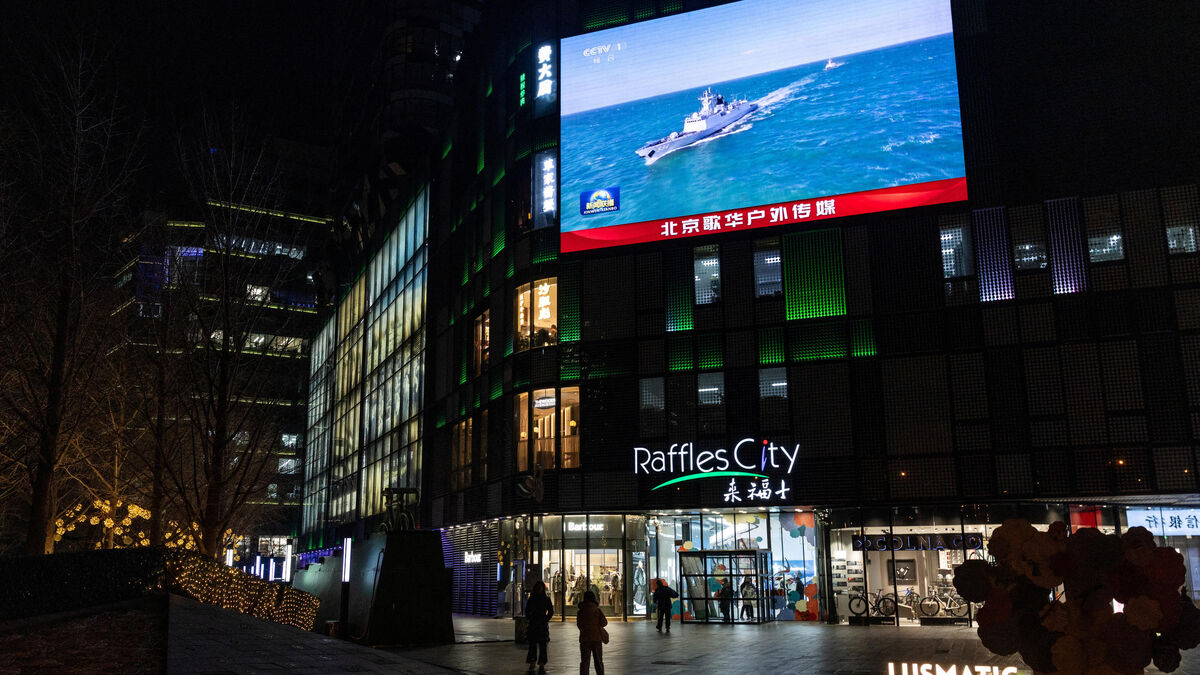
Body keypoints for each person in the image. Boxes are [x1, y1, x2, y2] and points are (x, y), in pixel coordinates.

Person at [576, 590, 608, 675]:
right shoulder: (597, 610)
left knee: (585, 662)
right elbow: (604, 623)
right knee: (598, 661)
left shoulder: (580, 611)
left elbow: (579, 624)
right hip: (596, 638)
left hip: (584, 638)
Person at [525, 580, 554, 673]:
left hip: (540, 623)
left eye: (540, 588)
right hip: (536, 623)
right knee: (534, 644)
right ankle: (534, 662)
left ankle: (540, 662)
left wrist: (546, 618)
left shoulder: (543, 599)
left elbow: (550, 611)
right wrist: (530, 617)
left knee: (541, 645)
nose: (539, 589)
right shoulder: (534, 599)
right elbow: (527, 610)